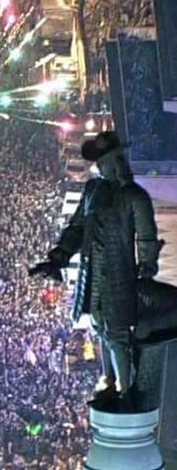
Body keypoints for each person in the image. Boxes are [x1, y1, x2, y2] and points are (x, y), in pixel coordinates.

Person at [29, 131, 161, 409]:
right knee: (100, 328)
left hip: (119, 270)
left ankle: (126, 391)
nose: (100, 167)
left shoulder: (134, 196)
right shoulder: (92, 190)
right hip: (92, 269)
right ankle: (111, 383)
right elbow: (77, 228)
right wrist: (59, 257)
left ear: (116, 161)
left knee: (117, 333)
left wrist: (146, 265)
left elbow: (146, 235)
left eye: (104, 161)